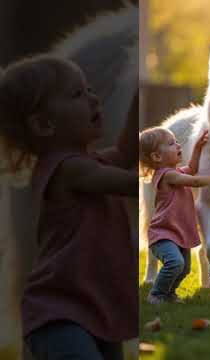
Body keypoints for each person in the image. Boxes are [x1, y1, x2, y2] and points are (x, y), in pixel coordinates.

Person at [0, 55, 138, 359]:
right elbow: (129, 183)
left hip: (93, 308)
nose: (93, 98)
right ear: (44, 124)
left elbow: (126, 152)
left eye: (89, 89)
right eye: (77, 94)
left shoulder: (90, 164)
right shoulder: (68, 170)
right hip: (60, 314)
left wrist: (138, 98)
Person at [139, 126, 210, 304]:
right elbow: (195, 181)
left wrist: (197, 148)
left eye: (176, 142)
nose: (178, 145)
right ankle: (156, 294)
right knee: (175, 263)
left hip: (178, 232)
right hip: (164, 234)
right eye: (171, 144)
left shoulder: (177, 172)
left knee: (185, 268)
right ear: (157, 157)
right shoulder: (166, 176)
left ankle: (169, 293)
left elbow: (192, 169)